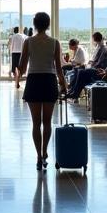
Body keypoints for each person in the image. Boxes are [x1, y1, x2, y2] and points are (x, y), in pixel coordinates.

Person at [19, 12, 69, 170]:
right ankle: (45, 151)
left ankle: (38, 156)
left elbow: (22, 67)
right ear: (48, 24)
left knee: (36, 123)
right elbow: (59, 68)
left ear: (34, 24)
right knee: (47, 122)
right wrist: (64, 85)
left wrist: (19, 70)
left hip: (33, 81)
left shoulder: (28, 42)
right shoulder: (55, 42)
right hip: (49, 80)